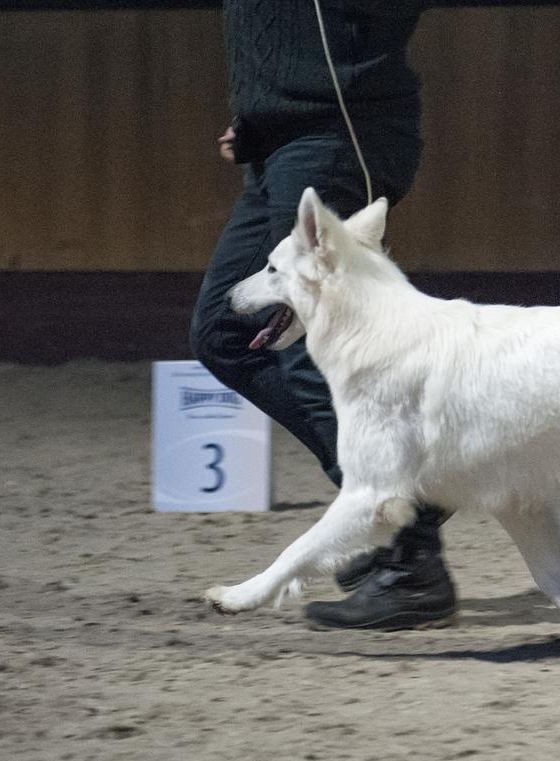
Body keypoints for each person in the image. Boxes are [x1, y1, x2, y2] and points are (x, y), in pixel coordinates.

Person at [191, 0, 456, 630]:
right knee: (225, 334)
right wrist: (261, 110)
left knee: (316, 340)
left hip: (340, 132)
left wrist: (315, 95)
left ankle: (408, 559)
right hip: (283, 138)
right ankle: (395, 509)